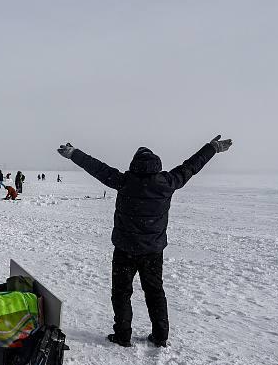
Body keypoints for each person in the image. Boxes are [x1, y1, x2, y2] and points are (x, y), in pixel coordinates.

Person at [57, 135, 233, 348]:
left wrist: (73, 153)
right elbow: (191, 166)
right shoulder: (167, 182)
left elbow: (97, 168)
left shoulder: (124, 181)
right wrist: (211, 148)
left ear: (134, 165)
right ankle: (160, 336)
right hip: (152, 252)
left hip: (124, 250)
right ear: (157, 166)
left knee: (121, 293)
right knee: (154, 292)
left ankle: (122, 335)